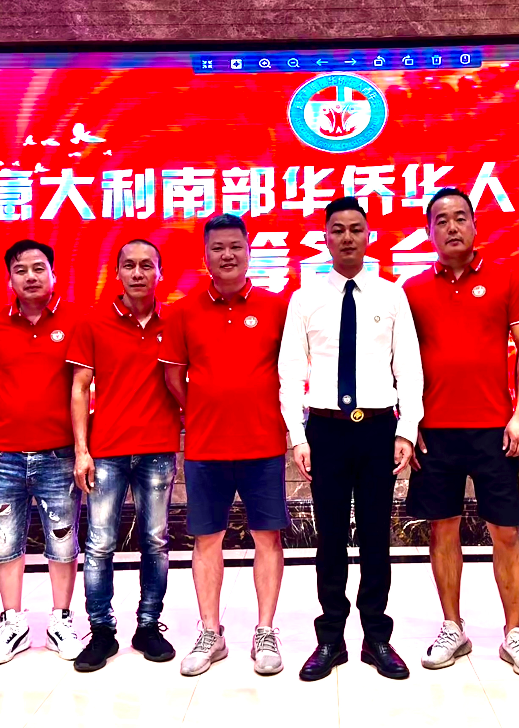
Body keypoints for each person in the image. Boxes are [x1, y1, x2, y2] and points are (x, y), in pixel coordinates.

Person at [403, 188, 519, 679]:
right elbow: (400, 361)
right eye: (441, 220)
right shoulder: (413, 290)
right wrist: (408, 423)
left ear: (475, 225)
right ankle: (452, 626)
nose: (452, 227)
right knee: (442, 528)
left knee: (505, 529)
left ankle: (514, 632)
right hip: (435, 433)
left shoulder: (507, 280)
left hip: (494, 429)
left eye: (460, 217)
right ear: (428, 232)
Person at [281, 197, 423, 682]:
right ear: (324, 237)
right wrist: (298, 435)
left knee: (377, 537)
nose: (346, 237)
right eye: (337, 229)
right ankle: (331, 638)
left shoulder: (391, 295)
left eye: (355, 229)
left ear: (368, 235)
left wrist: (406, 429)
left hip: (379, 429)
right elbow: (290, 372)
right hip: (325, 430)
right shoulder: (305, 298)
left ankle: (377, 637)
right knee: (330, 538)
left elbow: (409, 368)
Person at [159, 214, 289, 677]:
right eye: (218, 248)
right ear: (206, 255)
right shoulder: (183, 311)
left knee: (267, 537)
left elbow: (292, 370)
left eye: (235, 246)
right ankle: (210, 632)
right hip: (206, 445)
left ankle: (265, 630)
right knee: (206, 537)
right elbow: (173, 377)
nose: (227, 255)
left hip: (264, 442)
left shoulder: (277, 307)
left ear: (249, 251)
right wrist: (205, 407)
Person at [67, 240, 182, 672]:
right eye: (129, 266)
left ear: (160, 273)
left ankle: (148, 625)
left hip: (158, 448)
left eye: (146, 265)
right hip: (107, 450)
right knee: (99, 544)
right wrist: (82, 450)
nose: (137, 273)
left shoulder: (175, 321)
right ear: (116, 273)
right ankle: (101, 631)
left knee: (156, 541)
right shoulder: (93, 321)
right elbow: (80, 388)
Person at [0, 240, 84, 666]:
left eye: (39, 268)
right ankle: (13, 623)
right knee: (3, 540)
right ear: (9, 279)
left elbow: (85, 386)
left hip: (60, 453)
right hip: (6, 455)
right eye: (20, 270)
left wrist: (83, 447)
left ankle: (61, 621)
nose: (31, 277)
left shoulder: (76, 321)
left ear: (54, 274)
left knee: (63, 540)